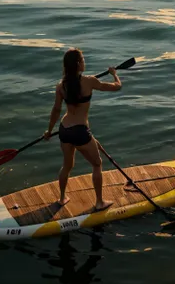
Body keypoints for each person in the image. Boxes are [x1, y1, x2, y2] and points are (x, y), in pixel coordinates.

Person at [44, 48, 121, 211]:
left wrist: (49, 131)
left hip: (64, 130)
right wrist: (114, 74)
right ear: (78, 64)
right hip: (80, 131)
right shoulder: (89, 81)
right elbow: (116, 87)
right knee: (97, 164)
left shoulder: (61, 85)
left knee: (67, 166)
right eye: (83, 59)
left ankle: (62, 197)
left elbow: (56, 110)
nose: (85, 62)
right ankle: (99, 203)